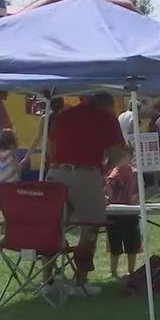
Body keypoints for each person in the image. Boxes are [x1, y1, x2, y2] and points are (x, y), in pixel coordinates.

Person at [45, 91, 125, 296]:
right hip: (85, 173)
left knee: (52, 226)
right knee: (90, 227)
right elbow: (117, 152)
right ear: (106, 104)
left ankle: (47, 280)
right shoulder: (107, 118)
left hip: (56, 173)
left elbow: (50, 147)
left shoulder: (63, 115)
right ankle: (80, 280)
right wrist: (105, 170)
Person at [104, 145, 142, 279]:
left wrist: (136, 198)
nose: (121, 159)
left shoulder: (135, 173)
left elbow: (138, 193)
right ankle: (113, 271)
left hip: (130, 213)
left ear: (130, 157)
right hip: (113, 213)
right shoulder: (110, 173)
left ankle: (131, 271)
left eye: (124, 156)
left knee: (132, 244)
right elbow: (106, 190)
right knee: (114, 244)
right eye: (119, 156)